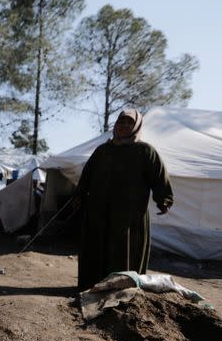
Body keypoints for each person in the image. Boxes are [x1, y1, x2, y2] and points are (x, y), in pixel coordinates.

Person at [75, 108, 174, 291]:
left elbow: (159, 177)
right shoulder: (103, 150)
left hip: (129, 214)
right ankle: (92, 286)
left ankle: (121, 287)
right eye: (121, 122)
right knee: (97, 247)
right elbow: (87, 175)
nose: (124, 126)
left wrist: (164, 199)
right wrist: (79, 195)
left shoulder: (145, 151)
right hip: (98, 210)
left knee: (123, 250)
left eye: (129, 122)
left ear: (136, 126)